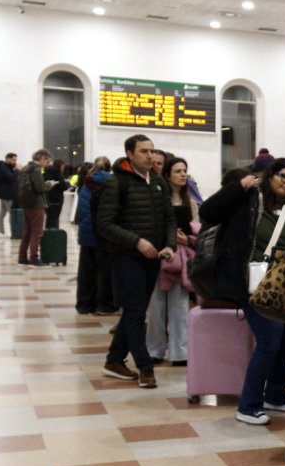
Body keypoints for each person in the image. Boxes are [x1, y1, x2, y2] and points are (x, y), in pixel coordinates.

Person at [200, 157, 285, 424]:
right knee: (269, 341)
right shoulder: (250, 200)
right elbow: (209, 211)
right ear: (270, 175)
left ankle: (275, 394)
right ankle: (248, 404)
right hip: (252, 282)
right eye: (283, 176)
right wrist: (237, 187)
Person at [99, 135, 176, 390]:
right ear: (130, 154)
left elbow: (168, 219)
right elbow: (105, 224)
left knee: (135, 310)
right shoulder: (116, 182)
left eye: (152, 151)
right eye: (144, 151)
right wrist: (137, 242)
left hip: (152, 258)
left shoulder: (158, 182)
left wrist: (169, 244)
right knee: (134, 313)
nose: (150, 156)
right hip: (127, 257)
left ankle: (113, 360)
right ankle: (145, 367)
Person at [145, 157, 199, 366]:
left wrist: (188, 240)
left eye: (185, 170)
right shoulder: (158, 199)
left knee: (180, 305)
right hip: (161, 255)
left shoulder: (191, 202)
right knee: (156, 306)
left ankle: (180, 351)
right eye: (178, 171)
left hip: (182, 257)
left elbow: (196, 228)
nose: (183, 175)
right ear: (167, 175)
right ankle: (155, 349)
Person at [75, 157, 116, 315]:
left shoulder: (86, 183)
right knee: (104, 272)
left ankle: (84, 305)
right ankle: (104, 305)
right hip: (103, 235)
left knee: (86, 271)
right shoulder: (111, 183)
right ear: (109, 168)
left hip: (86, 233)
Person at [17, 149, 54, 266]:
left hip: (26, 203)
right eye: (47, 161)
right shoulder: (37, 170)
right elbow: (40, 188)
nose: (47, 164)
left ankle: (22, 257)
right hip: (36, 204)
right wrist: (49, 184)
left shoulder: (26, 168)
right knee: (37, 232)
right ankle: (34, 258)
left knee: (27, 232)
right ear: (42, 158)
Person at [0, 152, 17, 235]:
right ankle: (13, 231)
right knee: (12, 213)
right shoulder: (3, 167)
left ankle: (1, 231)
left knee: (2, 213)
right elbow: (11, 177)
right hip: (6, 194)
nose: (15, 161)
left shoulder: (6, 167)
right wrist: (16, 170)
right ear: (8, 158)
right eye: (13, 160)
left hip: (5, 193)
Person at [44, 158, 66, 229]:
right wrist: (67, 184)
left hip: (47, 197)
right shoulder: (58, 174)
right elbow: (64, 186)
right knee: (55, 217)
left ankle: (48, 233)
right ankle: (54, 233)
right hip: (57, 198)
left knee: (49, 217)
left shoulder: (45, 172)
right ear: (60, 165)